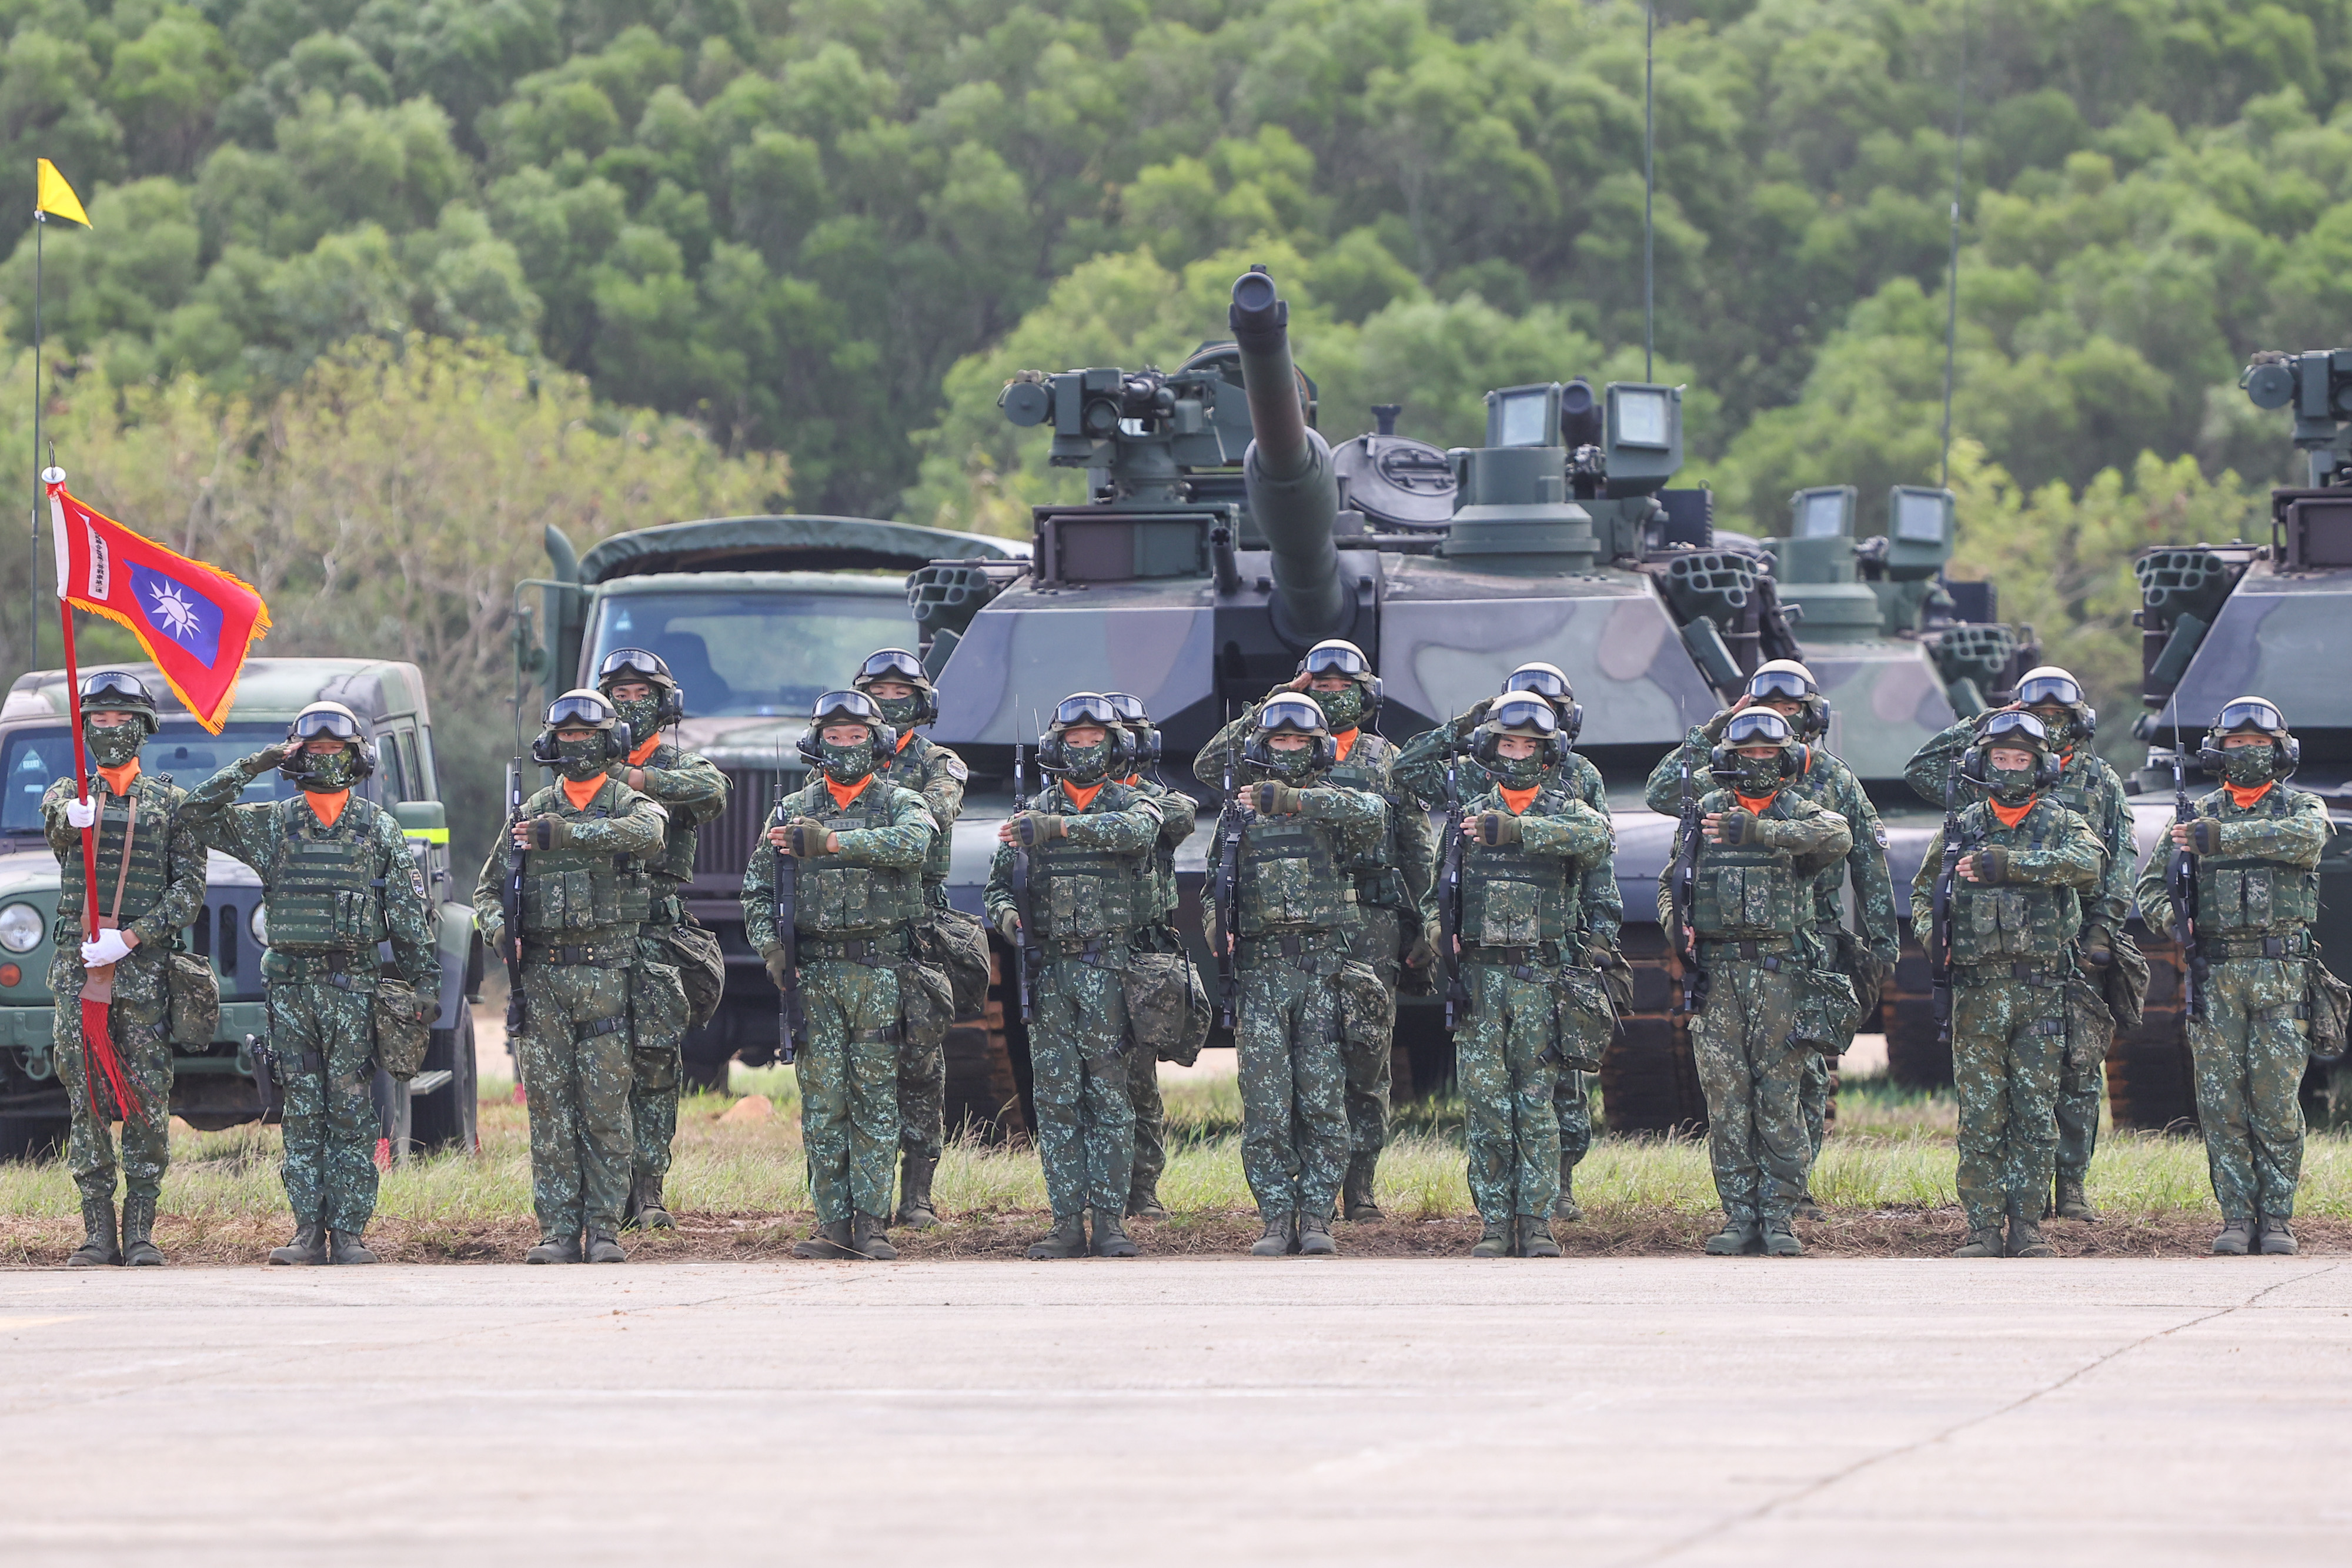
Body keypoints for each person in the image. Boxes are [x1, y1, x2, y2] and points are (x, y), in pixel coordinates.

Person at [180, 703, 437, 1265]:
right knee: (300, 1110)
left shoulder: (378, 830)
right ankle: (306, 1232)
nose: (323, 760)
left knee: (350, 1111)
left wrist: (424, 986)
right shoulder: (273, 822)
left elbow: (409, 918)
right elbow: (194, 814)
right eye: (311, 751)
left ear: (356, 758)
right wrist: (260, 761)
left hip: (353, 991)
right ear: (295, 757)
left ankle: (348, 1233)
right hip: (291, 993)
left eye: (334, 751)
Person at [1649, 659, 1896, 1219]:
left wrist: (1882, 944)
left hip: (1817, 931)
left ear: (1811, 716)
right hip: (1738, 936)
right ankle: (1762, 1197)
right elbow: (1662, 790)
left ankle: (1793, 1190)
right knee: (1753, 1078)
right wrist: (1718, 726)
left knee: (1804, 1071)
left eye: (1788, 710)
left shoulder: (1833, 777)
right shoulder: (1727, 770)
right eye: (1763, 708)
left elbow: (1867, 858)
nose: (1776, 719)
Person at [1195, 639, 1431, 1221]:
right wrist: (1280, 700)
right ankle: (1299, 1197)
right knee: (1297, 1067)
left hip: (1370, 919)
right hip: (1283, 922)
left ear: (1364, 693)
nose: (1329, 694)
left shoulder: (1385, 758)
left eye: (1339, 687)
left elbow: (1413, 844)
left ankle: (1359, 1188)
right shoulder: (1273, 751)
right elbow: (1208, 768)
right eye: (1317, 685)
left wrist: (1424, 917)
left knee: (1365, 1058)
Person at [1906, 665, 2134, 1222]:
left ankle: (2071, 1187)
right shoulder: (1979, 787)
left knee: (2076, 1073)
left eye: (2057, 719)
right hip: (1990, 949)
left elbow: (2116, 862)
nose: (2047, 728)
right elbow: (1921, 772)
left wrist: (2102, 931)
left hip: (2073, 942)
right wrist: (1992, 725)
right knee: (1995, 1098)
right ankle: (1997, 1210)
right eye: (2037, 718)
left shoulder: (2099, 780)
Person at [1399, 661, 1622, 1222]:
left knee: (1553, 1088)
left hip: (1553, 948)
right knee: (1491, 1099)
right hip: (1484, 958)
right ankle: (1504, 1212)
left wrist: (1599, 934)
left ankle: (1551, 1194)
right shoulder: (1473, 783)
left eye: (1532, 739)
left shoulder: (1578, 781)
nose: (1517, 753)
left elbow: (1598, 851)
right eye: (1507, 738)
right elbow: (1408, 779)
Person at [741, 689, 938, 1262]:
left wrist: (830, 843)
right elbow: (756, 890)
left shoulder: (901, 802)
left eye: (857, 736)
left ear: (876, 742)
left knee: (876, 1101)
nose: (846, 745)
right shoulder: (788, 811)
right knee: (824, 1104)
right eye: (835, 735)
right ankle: (832, 1222)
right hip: (817, 976)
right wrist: (771, 949)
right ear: (816, 742)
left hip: (879, 973)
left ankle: (872, 1223)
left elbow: (916, 844)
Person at [473, 690, 669, 1265]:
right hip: (543, 982)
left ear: (609, 741)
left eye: (589, 734)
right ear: (550, 743)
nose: (577, 744)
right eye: (567, 735)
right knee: (551, 1115)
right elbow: (487, 891)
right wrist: (496, 930)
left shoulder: (629, 801)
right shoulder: (529, 812)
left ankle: (604, 1229)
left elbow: (650, 836)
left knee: (607, 1111)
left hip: (609, 978)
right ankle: (558, 1231)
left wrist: (570, 835)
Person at [2132, 697, 2332, 1256]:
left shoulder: (2301, 806)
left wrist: (2221, 839)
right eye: (2237, 744)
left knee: (2274, 1102)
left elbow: (2308, 841)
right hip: (2215, 970)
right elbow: (2149, 888)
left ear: (2280, 751)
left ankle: (2278, 1219)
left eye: (2259, 745)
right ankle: (2237, 1217)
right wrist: (2177, 920)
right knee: (2221, 1102)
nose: (2247, 753)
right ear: (2218, 751)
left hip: (2279, 974)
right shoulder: (2188, 818)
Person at [1656, 709, 1852, 1258]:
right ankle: (1739, 1215)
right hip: (1718, 977)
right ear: (1730, 758)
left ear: (1785, 758)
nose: (1758, 762)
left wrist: (1763, 831)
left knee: (1780, 1097)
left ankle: (1780, 1215)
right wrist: (1679, 931)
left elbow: (1839, 835)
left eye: (1769, 753)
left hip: (1780, 975)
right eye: (1748, 753)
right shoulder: (1705, 814)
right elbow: (1673, 883)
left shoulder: (1798, 813)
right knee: (1726, 1099)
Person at [1201, 694, 1388, 1256]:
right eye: (1278, 740)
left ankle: (1317, 1217)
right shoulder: (1238, 814)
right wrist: (1217, 928)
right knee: (1265, 1105)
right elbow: (1216, 882)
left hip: (1322, 972)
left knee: (1324, 1101)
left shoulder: (1335, 803)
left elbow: (1373, 816)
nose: (1287, 750)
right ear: (1263, 744)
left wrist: (1297, 801)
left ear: (1319, 748)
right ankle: (1276, 1218)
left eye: (1299, 741)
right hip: (1260, 973)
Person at [986, 694, 1163, 1258]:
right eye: (1075, 741)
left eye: (1096, 741)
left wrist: (1057, 828)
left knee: (1110, 1098)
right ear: (1056, 747)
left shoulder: (1133, 803)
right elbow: (995, 886)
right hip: (1050, 970)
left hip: (1110, 967)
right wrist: (1011, 919)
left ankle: (1110, 1220)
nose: (1085, 750)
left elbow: (1137, 834)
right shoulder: (1029, 811)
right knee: (1058, 1098)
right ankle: (1066, 1220)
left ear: (1116, 746)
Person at [43, 670, 205, 1267]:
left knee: (145, 1102)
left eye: (121, 719)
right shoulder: (68, 794)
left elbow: (188, 892)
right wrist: (74, 818)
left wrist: (132, 938)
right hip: (79, 978)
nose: (110, 729)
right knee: (85, 1102)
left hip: (142, 979)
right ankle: (96, 1233)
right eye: (100, 720)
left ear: (144, 726)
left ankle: (140, 1231)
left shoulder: (171, 804)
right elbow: (59, 832)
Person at [593, 648, 728, 1232]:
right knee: (599, 1070)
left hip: (654, 938)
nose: (628, 705)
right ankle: (602, 1194)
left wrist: (633, 779)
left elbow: (713, 792)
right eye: (618, 695)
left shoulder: (682, 766)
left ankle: (648, 1192)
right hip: (593, 939)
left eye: (639, 695)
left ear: (664, 703)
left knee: (654, 1068)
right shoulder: (577, 767)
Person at [852, 648, 968, 1232]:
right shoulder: (837, 760)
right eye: (878, 692)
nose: (889, 701)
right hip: (853, 924)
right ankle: (857, 1195)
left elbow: (934, 817)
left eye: (901, 693)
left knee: (920, 1063)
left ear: (921, 703)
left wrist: (849, 832)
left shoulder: (937, 762)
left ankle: (917, 1194)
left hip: (916, 924)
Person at [1102, 691, 1198, 1221]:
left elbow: (1174, 817)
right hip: (1089, 950)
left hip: (1142, 953)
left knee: (1139, 1080)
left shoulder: (1158, 801)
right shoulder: (1065, 800)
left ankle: (1143, 1188)